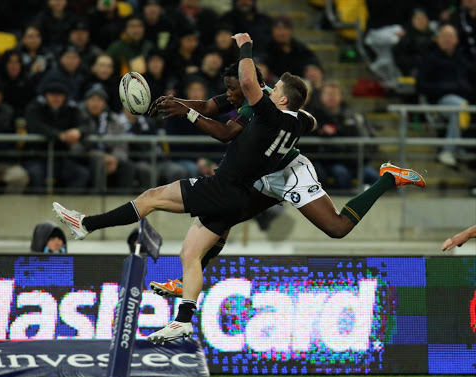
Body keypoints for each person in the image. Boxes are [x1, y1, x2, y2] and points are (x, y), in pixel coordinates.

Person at [53, 33, 312, 343]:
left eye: (274, 91)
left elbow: (234, 113)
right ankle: (183, 320)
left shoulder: (264, 111)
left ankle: (87, 224)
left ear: (278, 97)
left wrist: (245, 44)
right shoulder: (295, 121)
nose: (231, 94)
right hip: (239, 196)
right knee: (190, 254)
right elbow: (302, 116)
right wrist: (177, 104)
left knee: (151, 199)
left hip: (223, 185)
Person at [148, 66, 425, 299]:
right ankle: (187, 281)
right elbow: (210, 105)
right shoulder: (253, 98)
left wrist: (305, 118)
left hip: (289, 172)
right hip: (260, 175)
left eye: (275, 87)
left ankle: (388, 177)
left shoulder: (268, 103)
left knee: (337, 227)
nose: (270, 88)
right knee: (224, 213)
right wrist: (179, 104)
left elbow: (236, 128)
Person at [417, 24, 472, 167]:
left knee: (460, 106)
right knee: (459, 107)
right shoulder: (430, 58)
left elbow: (468, 82)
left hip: (462, 98)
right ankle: (448, 150)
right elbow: (421, 85)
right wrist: (446, 88)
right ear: (438, 39)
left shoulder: (462, 60)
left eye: (451, 36)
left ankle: (460, 146)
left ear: (456, 40)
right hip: (438, 101)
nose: (447, 39)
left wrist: (462, 88)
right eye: (444, 36)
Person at [79, 84, 139, 193]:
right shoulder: (79, 117)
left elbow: (122, 144)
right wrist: (103, 157)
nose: (96, 104)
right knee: (98, 165)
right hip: (86, 157)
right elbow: (77, 146)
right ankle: (96, 203)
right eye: (92, 100)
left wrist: (115, 159)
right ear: (86, 101)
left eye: (99, 100)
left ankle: (123, 204)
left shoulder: (113, 119)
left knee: (128, 166)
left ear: (104, 103)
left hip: (112, 158)